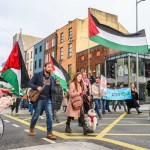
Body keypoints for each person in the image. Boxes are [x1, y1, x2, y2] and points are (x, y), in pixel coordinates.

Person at [28, 62, 56, 140]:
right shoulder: (37, 75)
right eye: (48, 67)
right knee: (36, 114)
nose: (50, 68)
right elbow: (30, 83)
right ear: (44, 68)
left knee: (49, 115)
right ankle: (31, 128)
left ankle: (49, 133)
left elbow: (53, 89)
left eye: (51, 67)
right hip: (39, 99)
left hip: (48, 99)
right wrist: (37, 87)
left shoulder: (52, 78)